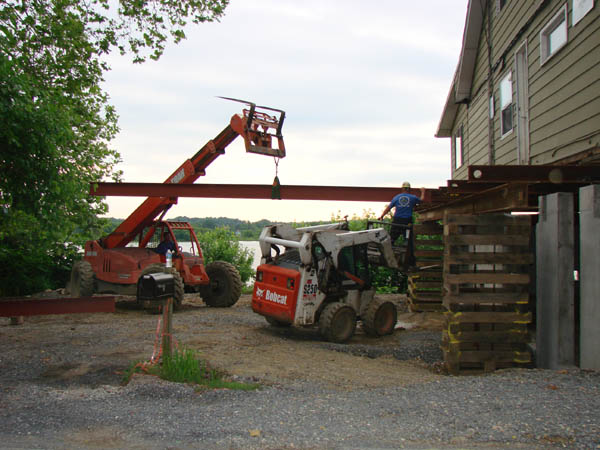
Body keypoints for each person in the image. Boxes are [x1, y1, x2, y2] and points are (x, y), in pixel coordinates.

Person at [378, 181, 425, 266]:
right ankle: (411, 262)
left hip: (397, 221)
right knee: (409, 241)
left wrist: (382, 216)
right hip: (407, 222)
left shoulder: (396, 197)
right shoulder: (412, 198)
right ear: (409, 189)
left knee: (391, 239)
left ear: (402, 189)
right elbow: (421, 200)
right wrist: (423, 192)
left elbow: (388, 208)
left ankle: (385, 257)